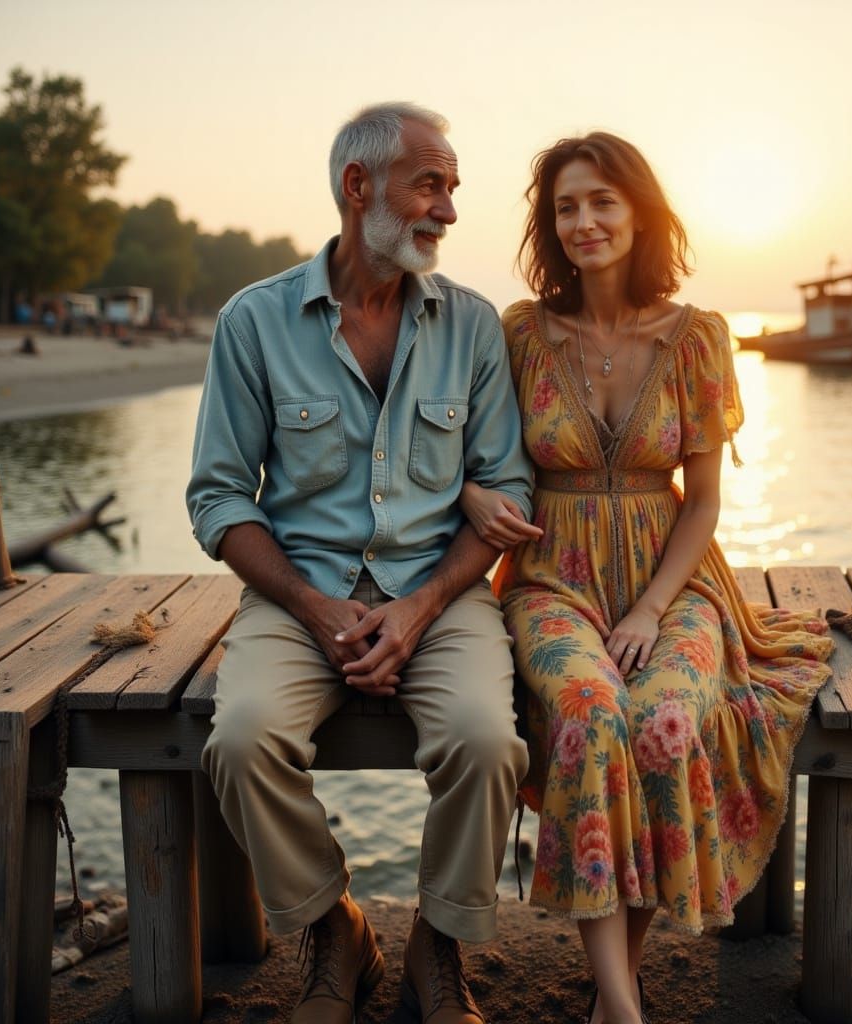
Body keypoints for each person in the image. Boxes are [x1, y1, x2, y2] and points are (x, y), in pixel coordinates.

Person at [459, 132, 833, 1024]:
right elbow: (459, 451)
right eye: (565, 207)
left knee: (665, 720)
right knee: (590, 714)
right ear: (549, 225)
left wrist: (654, 611)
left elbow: (701, 502)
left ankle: (611, 998)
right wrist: (474, 495)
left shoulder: (699, 337)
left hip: (677, 578)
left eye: (602, 202)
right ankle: (623, 1011)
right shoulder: (519, 333)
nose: (584, 222)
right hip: (553, 574)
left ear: (639, 212)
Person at [186, 102, 532, 1024]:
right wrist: (312, 605)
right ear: (357, 187)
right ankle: (334, 930)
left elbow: (508, 490)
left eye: (453, 188)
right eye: (431, 184)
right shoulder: (253, 323)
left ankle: (438, 943)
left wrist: (418, 608)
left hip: (441, 595)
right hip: (301, 597)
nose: (449, 210)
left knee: (488, 743)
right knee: (242, 740)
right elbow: (218, 499)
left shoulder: (473, 327)